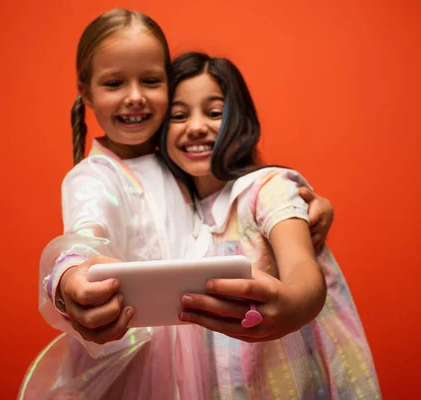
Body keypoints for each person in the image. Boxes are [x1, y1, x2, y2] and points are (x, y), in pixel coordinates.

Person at [19, 9, 335, 399]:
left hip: (199, 360)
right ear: (86, 93)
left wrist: (309, 206)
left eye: (151, 81)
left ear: (168, 88)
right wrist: (68, 278)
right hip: (136, 370)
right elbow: (84, 236)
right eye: (115, 83)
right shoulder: (93, 178)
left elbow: (230, 201)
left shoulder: (176, 161)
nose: (135, 97)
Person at [158, 51, 381, 398]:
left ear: (240, 122)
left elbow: (303, 270)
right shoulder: (174, 211)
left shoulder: (268, 188)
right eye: (178, 115)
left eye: (215, 112)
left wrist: (293, 304)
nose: (197, 125)